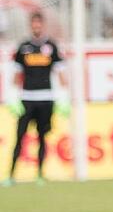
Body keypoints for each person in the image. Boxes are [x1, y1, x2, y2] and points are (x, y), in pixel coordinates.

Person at [4, 12, 69, 186]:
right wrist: (13, 97)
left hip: (46, 99)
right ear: (30, 25)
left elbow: (61, 74)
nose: (37, 26)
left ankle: (40, 174)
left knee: (42, 137)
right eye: (34, 24)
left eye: (39, 23)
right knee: (19, 137)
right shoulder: (23, 47)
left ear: (43, 25)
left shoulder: (51, 47)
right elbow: (17, 75)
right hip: (27, 99)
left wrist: (64, 98)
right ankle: (10, 175)